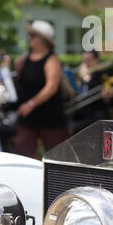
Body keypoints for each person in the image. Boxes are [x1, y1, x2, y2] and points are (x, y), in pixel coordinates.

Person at [14, 20, 69, 158]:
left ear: (43, 40)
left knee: (57, 157)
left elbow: (51, 88)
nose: (29, 38)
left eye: (33, 35)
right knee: (23, 153)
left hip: (49, 118)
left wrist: (31, 104)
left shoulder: (51, 60)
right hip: (28, 118)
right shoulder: (25, 60)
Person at [70, 50, 109, 134]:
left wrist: (86, 80)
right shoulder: (81, 76)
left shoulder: (102, 75)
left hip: (96, 115)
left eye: (88, 60)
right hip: (82, 114)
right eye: (84, 60)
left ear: (96, 60)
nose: (85, 63)